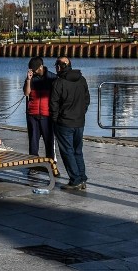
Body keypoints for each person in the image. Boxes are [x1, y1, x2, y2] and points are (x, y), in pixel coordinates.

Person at [50, 57, 90, 191]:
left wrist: (55, 120)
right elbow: (86, 99)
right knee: (78, 151)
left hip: (64, 123)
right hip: (79, 122)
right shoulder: (82, 79)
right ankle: (82, 178)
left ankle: (75, 180)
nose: (55, 68)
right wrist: (81, 113)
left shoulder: (59, 83)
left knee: (67, 152)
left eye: (56, 65)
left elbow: (53, 104)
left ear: (60, 67)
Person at [24, 56, 56, 158]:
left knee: (49, 143)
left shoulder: (52, 78)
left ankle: (51, 165)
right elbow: (26, 93)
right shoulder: (31, 78)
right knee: (33, 143)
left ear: (41, 67)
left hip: (47, 115)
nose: (33, 71)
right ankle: (33, 166)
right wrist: (28, 80)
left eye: (34, 69)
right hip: (32, 115)